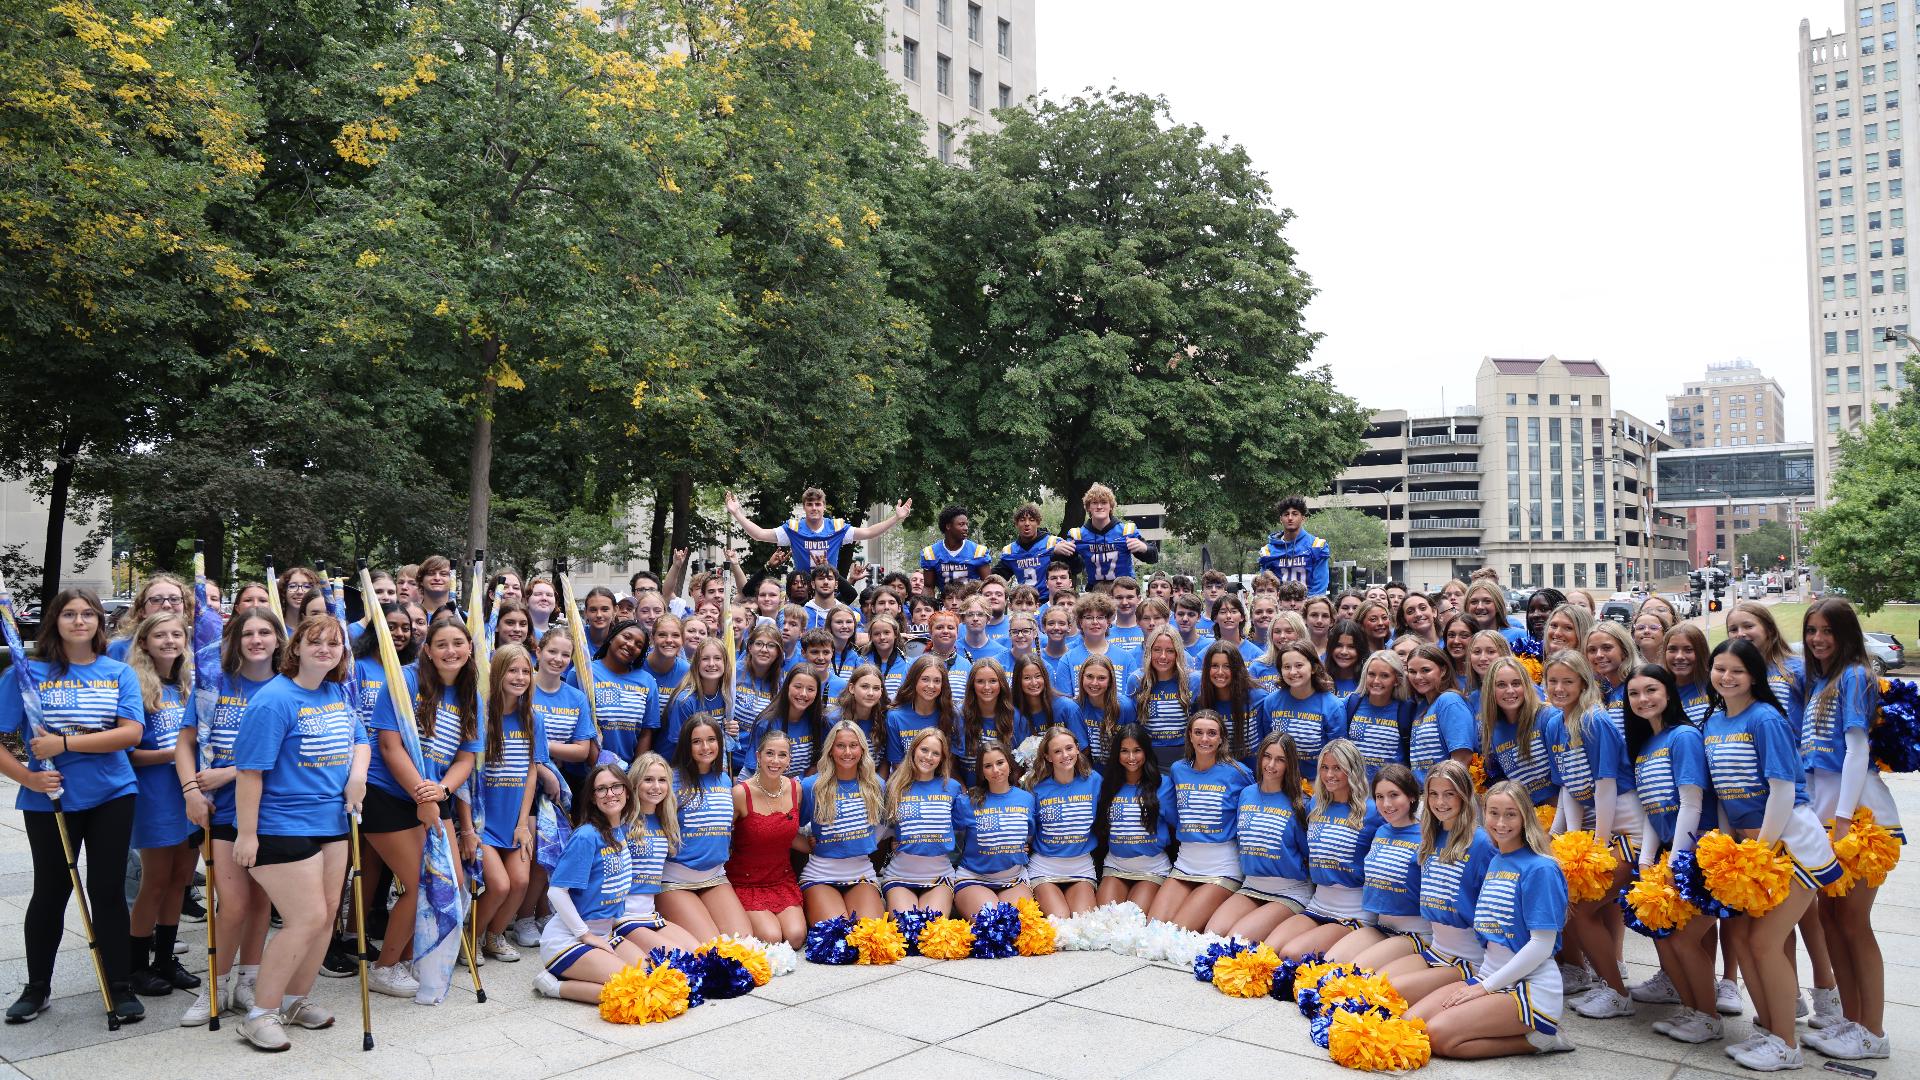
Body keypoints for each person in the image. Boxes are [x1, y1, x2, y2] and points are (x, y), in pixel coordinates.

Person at [0, 589, 146, 1024]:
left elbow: (130, 734)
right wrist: (28, 775)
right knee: (51, 890)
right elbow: (3, 740)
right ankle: (37, 987)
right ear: (54, 621)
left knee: (106, 890)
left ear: (101, 623)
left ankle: (119, 985)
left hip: (112, 793)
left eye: (88, 614)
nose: (79, 621)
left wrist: (64, 742)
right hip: (49, 797)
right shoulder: (26, 674)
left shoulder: (118, 672)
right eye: (69, 614)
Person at [228, 614, 370, 1050]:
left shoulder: (335, 692)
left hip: (331, 822)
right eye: (315, 642)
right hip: (280, 824)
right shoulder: (274, 701)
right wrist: (247, 834)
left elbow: (360, 739)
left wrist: (357, 778)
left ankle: (294, 1000)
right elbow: (250, 772)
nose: (325, 650)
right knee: (305, 918)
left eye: (333, 644)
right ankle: (260, 1014)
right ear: (297, 648)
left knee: (326, 916)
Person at [1705, 638, 1844, 1070]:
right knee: (1747, 942)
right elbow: (1725, 797)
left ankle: (1787, 1045)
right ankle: (1769, 1029)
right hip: (1751, 850)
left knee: (1765, 943)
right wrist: (1732, 852)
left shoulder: (1766, 719)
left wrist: (1760, 853)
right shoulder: (1713, 721)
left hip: (1789, 846)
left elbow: (1783, 791)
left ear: (1753, 677)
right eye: (1719, 669)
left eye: (1736, 671)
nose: (1726, 678)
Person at [361, 616, 484, 999]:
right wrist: (421, 794)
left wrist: (441, 791)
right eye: (442, 644)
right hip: (388, 794)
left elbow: (466, 758)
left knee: (453, 883)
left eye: (458, 643)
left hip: (435, 793)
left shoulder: (470, 694)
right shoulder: (404, 682)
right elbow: (389, 746)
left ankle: (410, 958)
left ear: (469, 649)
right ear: (427, 649)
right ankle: (384, 968)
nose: (451, 651)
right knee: (420, 883)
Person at [1405, 780, 1574, 1058]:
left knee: (1438, 1037)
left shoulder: (1541, 868)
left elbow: (1542, 945)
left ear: (1525, 816)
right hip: (1489, 975)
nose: (1501, 822)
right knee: (1413, 1025)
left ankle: (1543, 1040)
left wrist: (1485, 988)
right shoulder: (1498, 859)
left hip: (1529, 987)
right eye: (1494, 813)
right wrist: (1483, 983)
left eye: (1510, 814)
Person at [1800, 599, 1899, 1061]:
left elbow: (1857, 751)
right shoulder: (1821, 680)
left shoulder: (1855, 676)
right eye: (1812, 630)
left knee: (1854, 923)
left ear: (1846, 634)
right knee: (1830, 920)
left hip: (1856, 816)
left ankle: (1872, 1032)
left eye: (1827, 631)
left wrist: (1841, 823)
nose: (1818, 638)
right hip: (1824, 811)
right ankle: (1850, 1022)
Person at [180, 605, 284, 1025]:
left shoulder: (287, 688)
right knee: (234, 903)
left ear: (279, 640)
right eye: (247, 634)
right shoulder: (214, 684)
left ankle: (249, 980)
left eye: (265, 633)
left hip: (269, 809)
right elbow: (184, 744)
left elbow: (285, 756)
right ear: (235, 641)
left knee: (261, 900)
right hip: (222, 812)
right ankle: (215, 984)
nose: (256, 640)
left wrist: (226, 773)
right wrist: (190, 790)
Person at [1539, 649, 1641, 1020]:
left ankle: (1616, 991)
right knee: (1573, 908)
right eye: (1553, 681)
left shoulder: (1596, 719)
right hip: (1594, 823)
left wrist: (1597, 845)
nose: (1560, 688)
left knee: (1582, 911)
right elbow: (1570, 787)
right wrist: (1557, 835)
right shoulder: (1554, 723)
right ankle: (1606, 984)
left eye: (1568, 681)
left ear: (1584, 682)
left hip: (1625, 825)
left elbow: (1605, 784)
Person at [1622, 664, 1720, 1045]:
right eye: (1634, 693)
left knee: (1681, 939)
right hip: (1666, 854)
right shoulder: (1645, 743)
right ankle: (1694, 1011)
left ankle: (1708, 1017)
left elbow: (1691, 803)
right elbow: (1652, 808)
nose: (1642, 699)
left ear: (1668, 693)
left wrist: (1677, 864)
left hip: (1696, 854)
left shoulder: (1683, 737)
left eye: (1651, 690)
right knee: (1663, 935)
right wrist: (1647, 861)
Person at [123, 613, 202, 998]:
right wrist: (176, 753)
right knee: (154, 882)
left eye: (177, 634)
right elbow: (129, 753)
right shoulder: (135, 687)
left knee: (179, 881)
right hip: (156, 797)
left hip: (191, 795)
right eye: (160, 635)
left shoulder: (189, 686)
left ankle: (166, 959)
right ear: (144, 642)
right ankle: (136, 965)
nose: (170, 640)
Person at [1375, 760, 1497, 1006]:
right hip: (1435, 949)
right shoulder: (1431, 836)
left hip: (1469, 957)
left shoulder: (1482, 843)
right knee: (1372, 985)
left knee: (1388, 997)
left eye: (1449, 794)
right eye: (1434, 794)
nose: (1440, 802)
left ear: (1464, 795)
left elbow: (1496, 909)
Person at [531, 765, 652, 1002]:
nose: (610, 793)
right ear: (593, 798)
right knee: (632, 990)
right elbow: (556, 892)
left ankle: (585, 971)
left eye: (616, 786)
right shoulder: (587, 835)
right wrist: (585, 935)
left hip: (604, 934)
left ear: (627, 792)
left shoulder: (619, 831)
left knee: (651, 976)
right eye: (602, 789)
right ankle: (553, 986)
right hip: (567, 939)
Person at [468, 643, 545, 963]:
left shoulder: (532, 719)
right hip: (483, 822)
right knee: (498, 885)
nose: (520, 677)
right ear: (498, 673)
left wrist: (523, 822)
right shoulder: (480, 716)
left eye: (526, 671)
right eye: (513, 670)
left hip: (515, 820)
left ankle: (494, 936)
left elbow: (531, 773)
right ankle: (470, 938)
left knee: (520, 882)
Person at [1268, 740, 1380, 959]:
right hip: (1317, 904)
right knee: (1270, 950)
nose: (1330, 774)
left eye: (1337, 768)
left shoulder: (1373, 812)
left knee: (1291, 954)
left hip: (1352, 912)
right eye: (1325, 768)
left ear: (1352, 770)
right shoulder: (1316, 805)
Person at [1146, 711, 1253, 931]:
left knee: (1179, 929)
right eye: (1199, 733)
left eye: (1211, 733)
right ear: (1190, 736)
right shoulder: (1178, 769)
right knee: (1153, 928)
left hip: (1222, 867)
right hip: (1185, 864)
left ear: (1221, 737)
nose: (1205, 739)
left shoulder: (1238, 772)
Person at [1206, 731, 1311, 940]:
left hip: (1289, 890)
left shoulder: (1301, 803)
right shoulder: (1246, 794)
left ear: (1289, 764)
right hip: (1252, 885)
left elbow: (1308, 853)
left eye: (1280, 760)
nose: (1271, 765)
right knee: (1212, 935)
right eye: (1267, 756)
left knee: (1234, 941)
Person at [797, 721, 886, 922]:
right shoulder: (813, 786)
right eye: (840, 746)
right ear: (830, 750)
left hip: (861, 873)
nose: (847, 752)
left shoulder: (876, 785)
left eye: (853, 745)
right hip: (820, 874)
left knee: (870, 937)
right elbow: (790, 825)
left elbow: (883, 825)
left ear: (862, 749)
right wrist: (806, 841)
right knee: (835, 936)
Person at [728, 731, 805, 948]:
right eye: (769, 754)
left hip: (781, 879)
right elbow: (725, 839)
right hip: (746, 881)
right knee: (772, 937)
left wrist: (818, 847)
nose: (775, 760)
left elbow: (788, 835)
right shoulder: (740, 793)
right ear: (758, 756)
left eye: (782, 755)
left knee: (796, 937)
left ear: (789, 760)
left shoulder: (795, 789)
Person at [724, 487, 912, 575]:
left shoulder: (837, 528)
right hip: (802, 587)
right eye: (810, 504)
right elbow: (759, 534)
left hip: (830, 587)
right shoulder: (793, 528)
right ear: (804, 507)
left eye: (818, 504)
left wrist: (896, 518)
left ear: (824, 507)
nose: (814, 508)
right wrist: (737, 513)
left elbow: (870, 532)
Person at [881, 729, 965, 915]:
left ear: (942, 758)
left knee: (932, 930)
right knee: (906, 928)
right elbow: (881, 827)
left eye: (936, 753)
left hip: (939, 875)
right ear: (913, 750)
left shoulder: (952, 787)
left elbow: (963, 826)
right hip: (900, 875)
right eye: (924, 750)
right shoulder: (895, 786)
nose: (928, 757)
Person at [1093, 724, 1173, 911]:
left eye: (1137, 750)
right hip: (1115, 866)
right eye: (1124, 751)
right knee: (1104, 920)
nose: (1131, 758)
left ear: (1146, 752)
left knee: (1131, 921)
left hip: (1151, 869)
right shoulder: (1107, 786)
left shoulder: (1163, 784)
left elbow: (1177, 825)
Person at [952, 739, 1036, 916]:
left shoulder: (1027, 799)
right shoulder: (967, 801)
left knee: (1019, 927)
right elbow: (952, 838)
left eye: (1000, 763)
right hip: (974, 878)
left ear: (1009, 763)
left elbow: (1029, 836)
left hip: (1014, 879)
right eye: (988, 766)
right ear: (981, 772)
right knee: (990, 926)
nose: (996, 770)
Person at [1025, 726, 1100, 916]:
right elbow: (1028, 829)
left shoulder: (1093, 781)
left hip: (1081, 866)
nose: (1065, 755)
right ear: (1048, 757)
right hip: (1045, 867)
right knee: (1060, 921)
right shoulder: (1036, 786)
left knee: (1083, 924)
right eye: (1057, 751)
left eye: (1069, 748)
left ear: (1077, 748)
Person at [1259, 643, 1344, 781]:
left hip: (1318, 784)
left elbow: (1337, 755)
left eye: (1299, 665)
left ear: (1313, 668)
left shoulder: (1333, 706)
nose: (1293, 672)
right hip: (1280, 781)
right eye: (1287, 667)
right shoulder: (1271, 702)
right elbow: (1268, 746)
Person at [1478, 658, 1555, 807]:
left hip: (1571, 816)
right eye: (1501, 685)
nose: (1510, 690)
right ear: (1490, 690)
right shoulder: (1492, 731)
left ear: (1526, 685)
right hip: (1532, 818)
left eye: (1516, 683)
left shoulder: (1548, 716)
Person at [1058, 484, 1158, 585]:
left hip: (1124, 592)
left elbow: (1153, 558)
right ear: (1088, 507)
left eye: (1104, 502)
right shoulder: (1078, 535)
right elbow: (1074, 568)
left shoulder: (1126, 531)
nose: (1099, 506)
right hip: (1096, 592)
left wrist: (1145, 548)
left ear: (1111, 506)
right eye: (1095, 503)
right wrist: (1057, 553)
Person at [1405, 645, 1476, 787]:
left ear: (1443, 670)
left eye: (1426, 670)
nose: (1418, 677)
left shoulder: (1450, 700)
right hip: (1427, 794)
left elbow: (1462, 757)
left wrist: (1443, 793)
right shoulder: (1421, 707)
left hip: (1447, 793)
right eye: (1412, 671)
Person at [1127, 629, 1197, 764]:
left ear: (1178, 653)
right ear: (1149, 652)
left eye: (1170, 651)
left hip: (1186, 756)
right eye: (1157, 650)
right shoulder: (1136, 680)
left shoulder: (1193, 681)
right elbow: (1133, 725)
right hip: (1149, 757)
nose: (1163, 656)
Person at [1196, 644, 1264, 767]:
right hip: (1219, 778)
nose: (1220, 672)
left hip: (1254, 776)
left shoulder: (1259, 698)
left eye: (1227, 666)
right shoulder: (1201, 702)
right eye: (1215, 666)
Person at [1256, 496, 1330, 597]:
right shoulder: (1268, 551)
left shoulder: (1316, 546)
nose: (1290, 518)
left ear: (1303, 518)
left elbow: (1320, 587)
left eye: (1295, 514)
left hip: (1308, 607)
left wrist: (1307, 607)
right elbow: (1265, 588)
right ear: (1281, 519)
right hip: (1279, 608)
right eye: (1286, 514)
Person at [995, 503, 1069, 600]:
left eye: (1031, 520)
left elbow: (1077, 567)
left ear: (1038, 523)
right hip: (1026, 602)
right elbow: (996, 576)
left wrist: (1060, 555)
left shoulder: (1052, 543)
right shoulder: (1011, 550)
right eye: (1022, 520)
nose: (1027, 523)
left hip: (1051, 600)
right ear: (1016, 524)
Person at [1073, 655, 1135, 765]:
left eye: (1101, 678)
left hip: (1120, 771)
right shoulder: (1075, 707)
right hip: (1090, 772)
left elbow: (1135, 745)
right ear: (1081, 677)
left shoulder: (1125, 706)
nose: (1094, 683)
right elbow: (1080, 751)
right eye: (1089, 676)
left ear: (1110, 681)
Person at [920, 505, 993, 593]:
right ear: (948, 526)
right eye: (961, 524)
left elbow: (988, 586)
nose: (966, 528)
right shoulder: (931, 553)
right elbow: (928, 587)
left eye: (966, 524)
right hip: (945, 603)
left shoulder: (978, 551)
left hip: (972, 603)